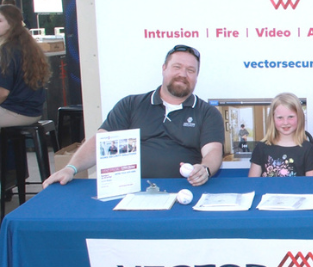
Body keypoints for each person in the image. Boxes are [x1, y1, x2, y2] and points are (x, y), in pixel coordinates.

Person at [42, 44, 224, 187]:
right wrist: (70, 168)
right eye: (177, 67)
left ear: (197, 76)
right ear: (164, 68)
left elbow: (213, 151)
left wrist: (204, 169)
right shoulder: (131, 105)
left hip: (184, 189)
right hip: (129, 190)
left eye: (190, 70)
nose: (182, 74)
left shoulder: (207, 113)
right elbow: (101, 142)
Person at [0, 5, 51, 129]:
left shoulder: (7, 50)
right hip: (33, 112)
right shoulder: (27, 46)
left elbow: (3, 93)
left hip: (15, 111)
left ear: (11, 24)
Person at [249, 93, 313, 177]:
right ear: (272, 119)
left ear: (299, 117)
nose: (285, 122)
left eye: (291, 117)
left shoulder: (308, 149)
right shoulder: (261, 148)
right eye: (280, 117)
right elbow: (252, 181)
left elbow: (311, 183)